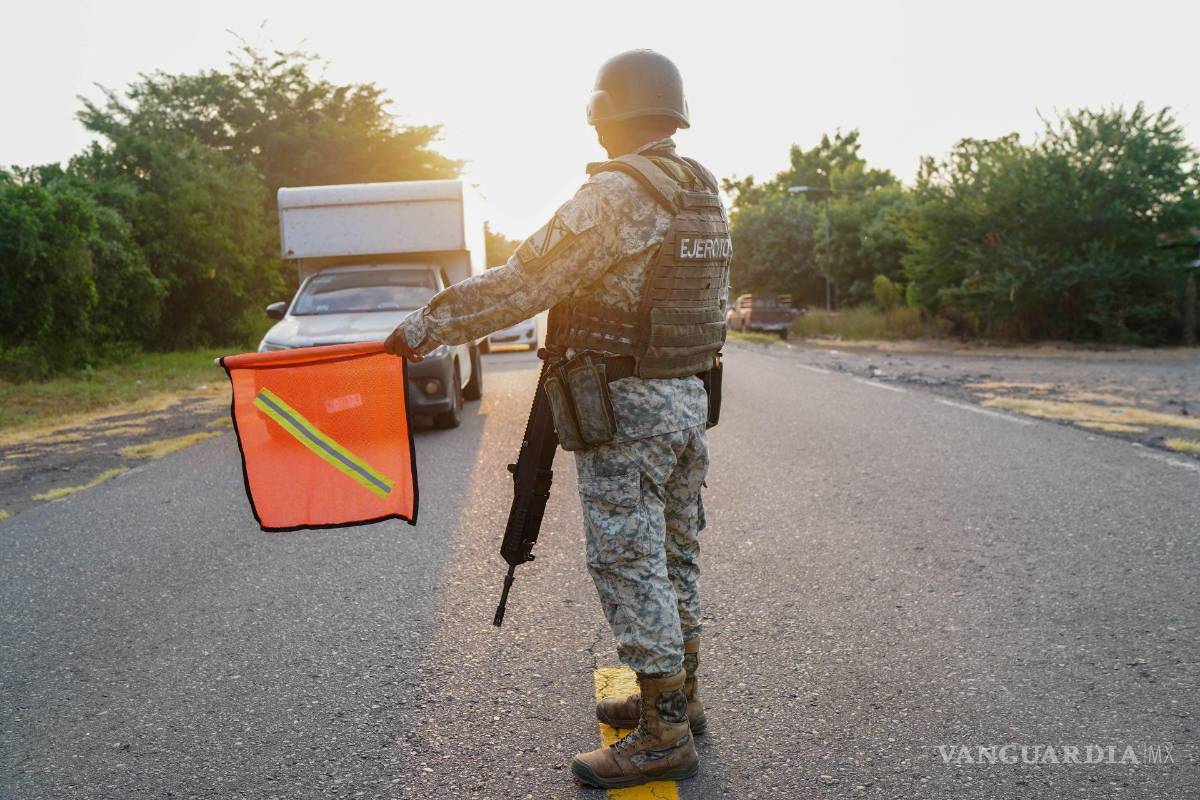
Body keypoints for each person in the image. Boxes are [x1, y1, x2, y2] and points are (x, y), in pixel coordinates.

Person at [384, 49, 730, 789]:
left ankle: (665, 735)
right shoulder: (700, 187)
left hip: (627, 412)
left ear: (609, 112)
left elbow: (524, 283)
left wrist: (424, 326)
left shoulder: (616, 195)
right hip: (686, 402)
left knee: (628, 561)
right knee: (675, 555)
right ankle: (682, 699)